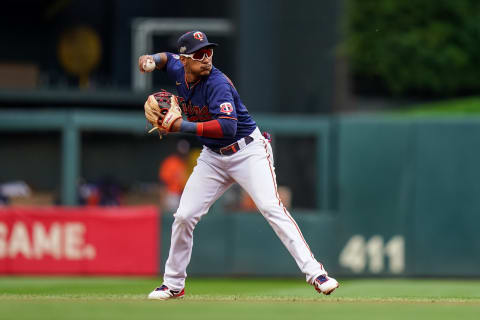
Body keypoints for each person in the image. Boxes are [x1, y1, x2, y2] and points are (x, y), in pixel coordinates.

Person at [138, 31, 339, 300]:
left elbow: (226, 126)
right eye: (199, 54)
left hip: (248, 151)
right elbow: (166, 58)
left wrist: (181, 125)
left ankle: (317, 273)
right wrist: (150, 59)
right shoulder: (178, 66)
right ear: (185, 59)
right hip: (213, 157)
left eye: (209, 52)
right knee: (184, 216)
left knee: (271, 207)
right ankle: (173, 284)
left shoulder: (217, 83)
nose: (207, 58)